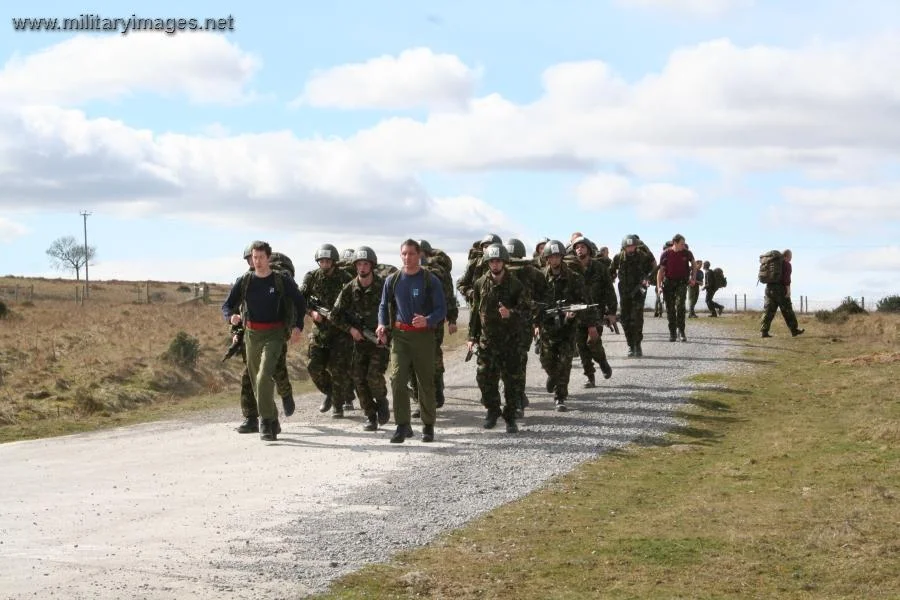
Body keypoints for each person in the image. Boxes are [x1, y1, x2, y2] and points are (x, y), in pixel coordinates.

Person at [221, 240, 306, 441]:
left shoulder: (280, 280)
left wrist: (298, 326)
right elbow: (228, 306)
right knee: (254, 380)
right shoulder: (245, 281)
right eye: (253, 257)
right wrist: (230, 317)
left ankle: (266, 422)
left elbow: (300, 302)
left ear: (268, 258)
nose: (256, 261)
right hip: (252, 335)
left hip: (275, 334)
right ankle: (273, 419)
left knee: (263, 376)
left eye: (260, 257)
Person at [376, 239, 447, 443]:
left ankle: (428, 425)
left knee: (425, 381)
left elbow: (441, 309)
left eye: (412, 254)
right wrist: (382, 324)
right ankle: (402, 425)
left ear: (419, 256)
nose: (408, 258)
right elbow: (383, 305)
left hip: (423, 337)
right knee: (397, 380)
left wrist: (428, 320)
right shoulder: (393, 280)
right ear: (401, 256)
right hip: (400, 336)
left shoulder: (429, 279)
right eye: (404, 254)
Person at [466, 243, 529, 433]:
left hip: (510, 341)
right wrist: (472, 337)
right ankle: (492, 412)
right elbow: (475, 312)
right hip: (488, 341)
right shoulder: (480, 284)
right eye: (492, 261)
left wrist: (511, 313)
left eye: (498, 261)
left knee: (512, 382)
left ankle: (510, 417)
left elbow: (527, 311)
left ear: (504, 262)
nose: (495, 264)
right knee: (485, 378)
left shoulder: (516, 284)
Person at [331, 246, 391, 431]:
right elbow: (335, 315)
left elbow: (395, 311)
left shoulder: (383, 286)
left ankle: (381, 401)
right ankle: (370, 415)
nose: (362, 268)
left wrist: (388, 332)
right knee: (358, 379)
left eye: (365, 264)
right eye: (359, 264)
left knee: (373, 376)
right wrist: (350, 330)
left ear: (371, 265)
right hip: (359, 342)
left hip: (379, 341)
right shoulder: (349, 288)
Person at [533, 240, 597, 411]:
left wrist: (575, 313)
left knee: (565, 363)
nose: (555, 260)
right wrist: (536, 323)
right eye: (551, 257)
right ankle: (553, 377)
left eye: (557, 256)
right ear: (546, 258)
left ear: (561, 257)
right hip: (547, 328)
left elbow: (584, 301)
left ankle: (560, 397)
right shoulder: (539, 278)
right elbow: (533, 302)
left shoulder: (574, 278)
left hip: (568, 328)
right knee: (546, 360)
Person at [300, 244, 355, 417]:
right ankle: (331, 393)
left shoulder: (345, 277)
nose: (324, 263)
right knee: (313, 366)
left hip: (341, 331)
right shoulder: (311, 277)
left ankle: (337, 405)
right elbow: (301, 299)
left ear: (333, 261)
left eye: (327, 260)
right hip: (320, 331)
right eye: (321, 260)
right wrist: (312, 312)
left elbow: (354, 299)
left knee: (339, 369)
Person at [570, 236, 615, 387]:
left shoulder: (600, 268)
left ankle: (602, 362)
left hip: (596, 311)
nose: (579, 249)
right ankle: (590, 377)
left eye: (582, 246)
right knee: (581, 346)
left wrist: (612, 312)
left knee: (593, 343)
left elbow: (609, 290)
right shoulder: (570, 268)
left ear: (588, 249)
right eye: (577, 247)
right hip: (577, 313)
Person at [610, 235, 656, 357]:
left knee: (637, 318)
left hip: (639, 290)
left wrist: (648, 278)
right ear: (624, 247)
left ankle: (637, 345)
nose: (630, 249)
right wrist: (612, 278)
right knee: (625, 319)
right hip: (624, 291)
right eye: (628, 247)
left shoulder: (643, 256)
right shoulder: (618, 257)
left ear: (636, 246)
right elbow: (611, 271)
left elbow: (654, 268)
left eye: (632, 246)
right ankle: (630, 345)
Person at [657, 234, 697, 342]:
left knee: (680, 306)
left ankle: (682, 331)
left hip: (682, 283)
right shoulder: (666, 254)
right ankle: (672, 333)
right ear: (675, 243)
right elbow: (660, 271)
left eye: (684, 244)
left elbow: (694, 265)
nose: (684, 246)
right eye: (682, 244)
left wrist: (693, 278)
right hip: (669, 283)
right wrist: (659, 286)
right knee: (670, 309)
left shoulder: (687, 253)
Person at [760, 249, 804, 338]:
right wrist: (788, 290)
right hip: (780, 289)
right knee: (787, 310)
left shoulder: (772, 263)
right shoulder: (787, 264)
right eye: (791, 257)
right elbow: (786, 279)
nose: (791, 259)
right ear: (787, 256)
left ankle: (764, 331)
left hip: (769, 288)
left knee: (768, 310)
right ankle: (794, 330)